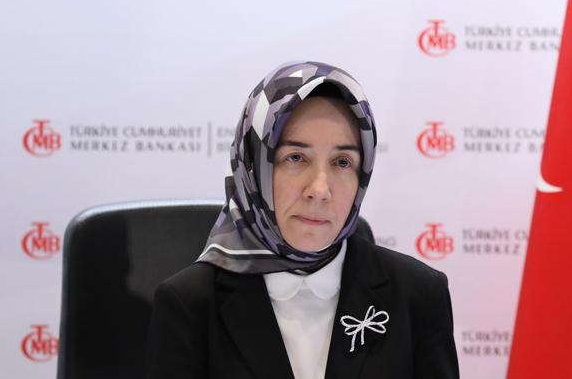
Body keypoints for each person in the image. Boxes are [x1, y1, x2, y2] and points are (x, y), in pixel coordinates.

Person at [146, 61, 459, 379]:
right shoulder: (189, 304)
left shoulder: (418, 295)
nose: (320, 190)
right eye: (295, 158)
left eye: (342, 162)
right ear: (254, 167)